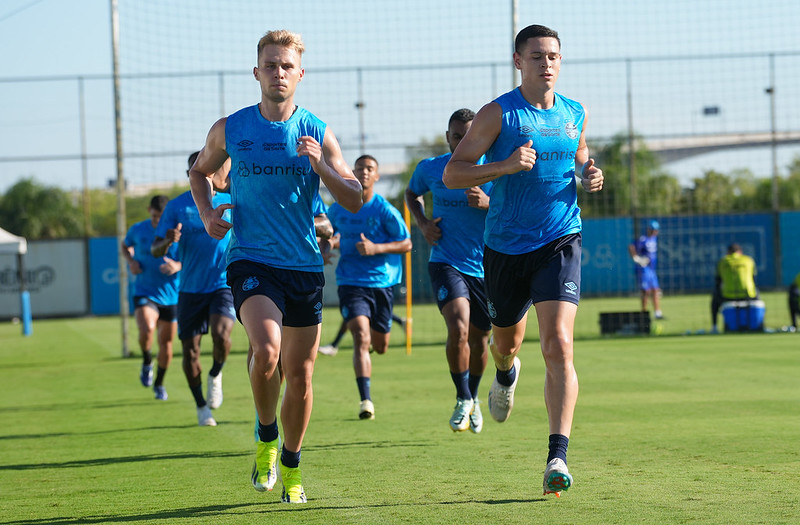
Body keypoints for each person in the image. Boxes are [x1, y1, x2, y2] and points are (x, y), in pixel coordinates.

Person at [188, 30, 362, 504]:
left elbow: (355, 196)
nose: (279, 73)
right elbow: (200, 172)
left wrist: (320, 167)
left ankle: (291, 463)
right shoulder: (232, 128)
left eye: (287, 66)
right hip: (251, 260)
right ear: (257, 72)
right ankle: (266, 437)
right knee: (266, 351)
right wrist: (206, 214)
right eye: (271, 65)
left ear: (299, 74)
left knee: (301, 374)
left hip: (303, 266)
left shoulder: (318, 131)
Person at [443, 24, 604, 496]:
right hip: (506, 248)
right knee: (505, 344)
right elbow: (454, 173)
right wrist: (504, 167)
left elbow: (579, 155)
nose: (546, 63)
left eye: (553, 56)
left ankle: (558, 455)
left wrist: (590, 173)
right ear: (518, 62)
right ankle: (505, 374)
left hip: (560, 239)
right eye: (536, 56)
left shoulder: (576, 112)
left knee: (558, 344)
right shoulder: (497, 114)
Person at [405, 108, 492, 433]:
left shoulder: (494, 169)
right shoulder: (430, 168)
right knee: (458, 327)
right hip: (446, 261)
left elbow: (513, 209)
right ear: (448, 137)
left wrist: (488, 203)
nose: (461, 142)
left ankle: (475, 396)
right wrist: (423, 223)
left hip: (486, 267)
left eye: (468, 137)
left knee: (481, 340)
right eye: (457, 136)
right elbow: (411, 193)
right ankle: (463, 397)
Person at [151, 152, 235, 427]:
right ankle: (201, 407)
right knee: (190, 351)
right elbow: (155, 249)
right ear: (192, 174)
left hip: (223, 282)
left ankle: (216, 373)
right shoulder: (177, 208)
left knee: (222, 335)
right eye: (196, 170)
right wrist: (167, 242)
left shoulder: (231, 200)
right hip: (189, 289)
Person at [327, 154, 412, 420]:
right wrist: (327, 244)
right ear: (352, 172)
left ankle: (376, 343)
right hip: (350, 282)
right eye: (360, 168)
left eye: (370, 169)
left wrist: (376, 248)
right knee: (360, 338)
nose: (364, 172)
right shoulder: (338, 208)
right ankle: (366, 400)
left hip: (382, 282)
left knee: (380, 345)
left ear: (376, 176)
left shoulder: (384, 210)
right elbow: (325, 233)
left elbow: (406, 243)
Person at [121, 195, 181, 400]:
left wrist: (177, 266)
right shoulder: (137, 229)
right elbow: (125, 245)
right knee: (146, 327)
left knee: (166, 342)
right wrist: (131, 261)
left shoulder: (176, 233)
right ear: (149, 211)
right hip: (145, 291)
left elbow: (190, 256)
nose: (157, 221)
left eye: (161, 217)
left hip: (171, 295)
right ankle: (147, 361)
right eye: (155, 216)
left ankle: (159, 383)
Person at [711, 243, 758, 333]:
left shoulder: (723, 261)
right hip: (748, 295)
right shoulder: (748, 260)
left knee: (714, 299)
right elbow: (754, 279)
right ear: (740, 252)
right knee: (756, 292)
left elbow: (718, 282)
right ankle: (759, 323)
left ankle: (714, 327)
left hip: (728, 296)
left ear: (728, 252)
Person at [629, 220, 663, 320]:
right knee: (646, 291)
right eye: (653, 230)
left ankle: (658, 312)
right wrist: (637, 258)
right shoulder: (643, 239)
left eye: (656, 230)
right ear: (649, 229)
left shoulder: (654, 239)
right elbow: (631, 246)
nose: (654, 232)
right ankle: (644, 313)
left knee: (655, 290)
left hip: (652, 270)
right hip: (644, 269)